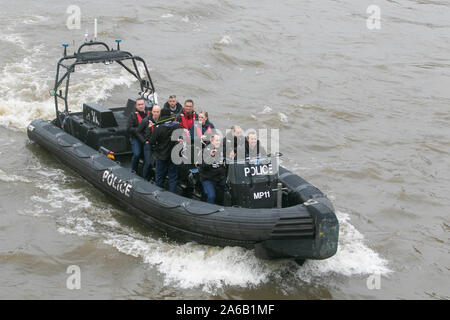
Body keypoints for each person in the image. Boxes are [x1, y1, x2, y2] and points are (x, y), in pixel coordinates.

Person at [149, 108, 181, 193]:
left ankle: (158, 194)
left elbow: (151, 141)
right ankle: (172, 195)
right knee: (173, 177)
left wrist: (156, 148)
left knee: (159, 176)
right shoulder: (177, 126)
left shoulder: (158, 127)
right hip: (173, 156)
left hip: (161, 155)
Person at [198, 134, 227, 204]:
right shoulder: (205, 151)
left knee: (228, 192)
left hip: (219, 177)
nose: (218, 142)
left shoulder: (221, 150)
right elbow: (202, 166)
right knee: (211, 196)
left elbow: (225, 164)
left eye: (219, 140)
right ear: (211, 141)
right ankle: (209, 210)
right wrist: (211, 156)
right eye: (216, 140)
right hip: (207, 178)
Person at [136, 105, 161, 180]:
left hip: (158, 145)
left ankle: (154, 178)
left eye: (157, 112)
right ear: (152, 112)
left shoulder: (162, 120)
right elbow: (138, 132)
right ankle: (144, 178)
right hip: (148, 145)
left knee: (158, 163)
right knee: (148, 162)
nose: (156, 113)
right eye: (154, 112)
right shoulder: (145, 121)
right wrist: (144, 141)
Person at [127, 98, 150, 173]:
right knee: (137, 154)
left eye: (142, 104)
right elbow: (129, 128)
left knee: (147, 156)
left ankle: (145, 171)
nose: (141, 106)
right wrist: (140, 129)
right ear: (136, 106)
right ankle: (133, 170)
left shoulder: (149, 113)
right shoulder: (133, 115)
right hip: (136, 138)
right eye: (139, 105)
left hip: (146, 137)